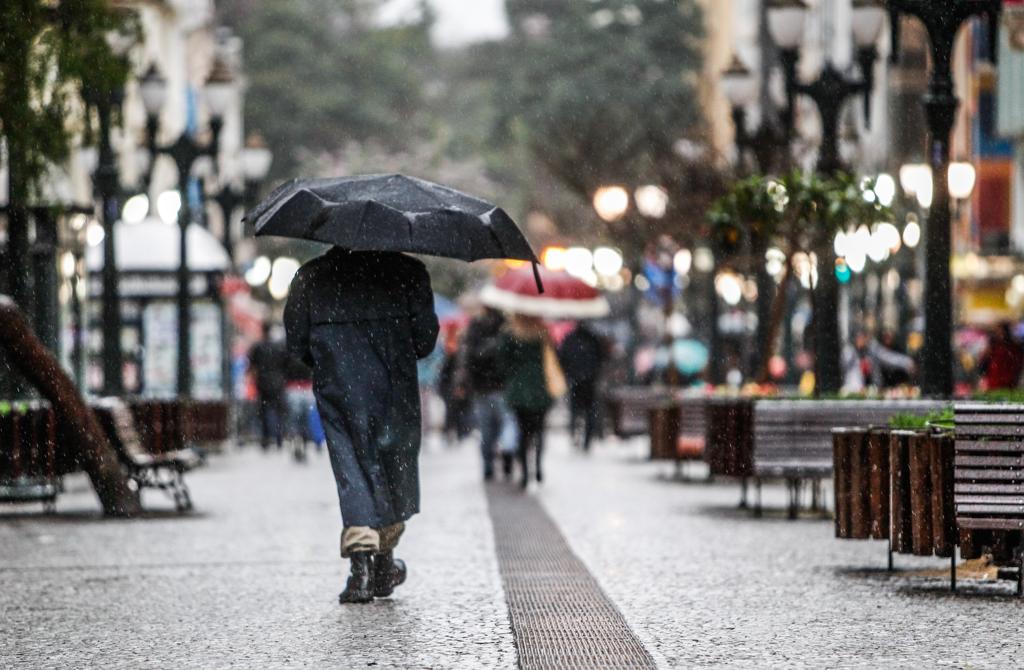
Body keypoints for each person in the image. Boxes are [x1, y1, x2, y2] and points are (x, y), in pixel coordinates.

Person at [285, 248, 439, 605]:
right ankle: (383, 560)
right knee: (391, 467)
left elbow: (296, 342)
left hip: (338, 385)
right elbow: (425, 339)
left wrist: (329, 356)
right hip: (393, 384)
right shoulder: (409, 271)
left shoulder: (312, 275)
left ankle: (362, 569)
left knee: (351, 465)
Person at [496, 313, 555, 489]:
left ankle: (525, 473)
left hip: (519, 390)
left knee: (523, 432)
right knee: (539, 430)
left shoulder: (510, 334)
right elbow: (551, 358)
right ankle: (538, 467)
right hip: (540, 388)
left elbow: (502, 364)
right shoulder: (543, 332)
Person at [457, 306, 515, 480]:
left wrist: (464, 382)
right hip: (501, 387)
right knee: (505, 425)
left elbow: (467, 357)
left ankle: (488, 466)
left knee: (487, 430)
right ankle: (506, 459)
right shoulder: (506, 327)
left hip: (482, 388)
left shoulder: (475, 327)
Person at [558, 322, 607, 451]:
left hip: (576, 380)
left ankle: (576, 434)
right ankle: (586, 440)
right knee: (588, 411)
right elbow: (601, 357)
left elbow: (562, 358)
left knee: (576, 410)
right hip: (588, 380)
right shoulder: (592, 339)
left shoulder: (571, 339)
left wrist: (568, 373)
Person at [248, 323, 289, 450]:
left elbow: (252, 365)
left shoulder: (258, 347)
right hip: (278, 382)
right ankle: (279, 438)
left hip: (263, 383)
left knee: (264, 411)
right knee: (279, 412)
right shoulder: (279, 347)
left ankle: (265, 439)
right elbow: (286, 364)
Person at [979, 322, 1024, 391]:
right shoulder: (995, 346)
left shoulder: (1012, 347)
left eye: (1000, 331)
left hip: (1005, 382)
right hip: (998, 382)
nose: (1000, 334)